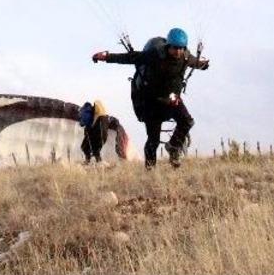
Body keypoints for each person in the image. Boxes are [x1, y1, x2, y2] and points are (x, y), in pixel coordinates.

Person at [92, 27, 209, 169]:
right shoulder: (155, 55)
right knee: (153, 140)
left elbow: (195, 62)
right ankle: (150, 170)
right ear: (168, 46)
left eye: (181, 48)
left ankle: (173, 147)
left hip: (172, 100)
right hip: (151, 103)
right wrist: (106, 57)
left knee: (187, 121)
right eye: (175, 48)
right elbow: (130, 58)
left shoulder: (185, 56)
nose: (178, 51)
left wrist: (203, 65)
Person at [78, 99, 111, 163]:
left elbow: (83, 123)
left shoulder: (90, 112)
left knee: (86, 147)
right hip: (101, 135)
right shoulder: (103, 117)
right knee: (95, 150)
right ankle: (96, 162)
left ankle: (89, 161)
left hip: (94, 134)